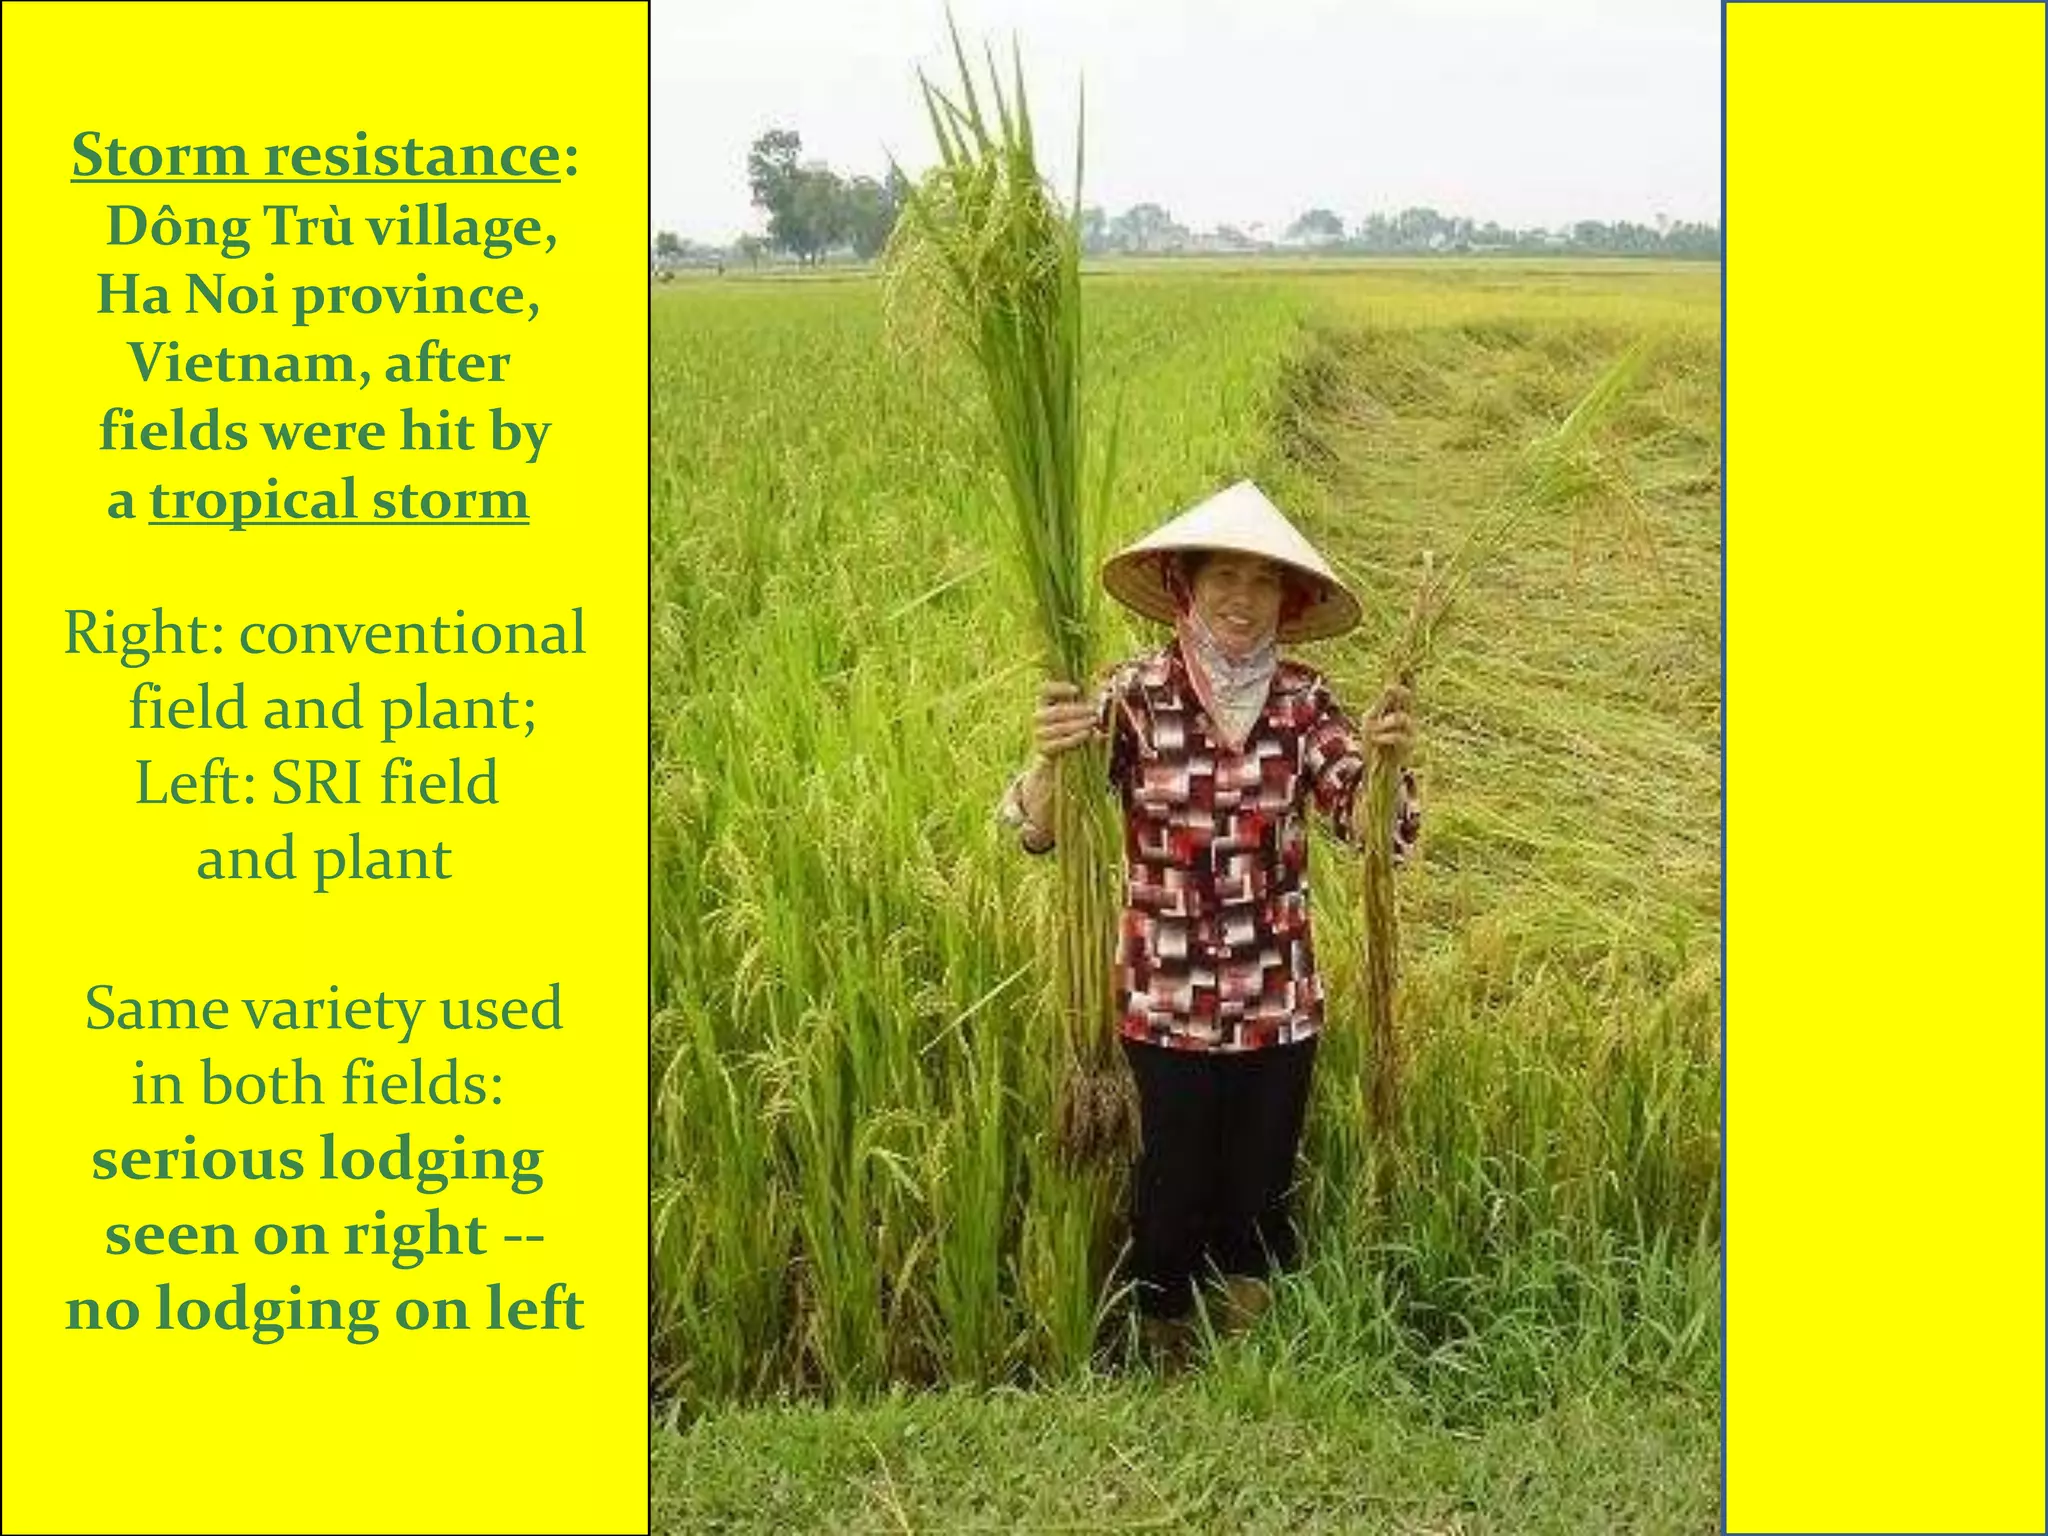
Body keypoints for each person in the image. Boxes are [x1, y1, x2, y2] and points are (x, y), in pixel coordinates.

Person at [998, 479, 1419, 1366]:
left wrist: (1384, 767)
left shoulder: (1306, 703)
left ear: (1287, 601)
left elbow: (1367, 828)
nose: (1240, 597)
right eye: (1222, 576)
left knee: (1259, 1193)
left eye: (1261, 582)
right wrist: (1050, 757)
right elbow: (1042, 830)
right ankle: (1164, 1354)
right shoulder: (1132, 696)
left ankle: (1249, 1361)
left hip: (1278, 999)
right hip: (1164, 1001)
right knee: (1171, 1189)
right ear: (1185, 587)